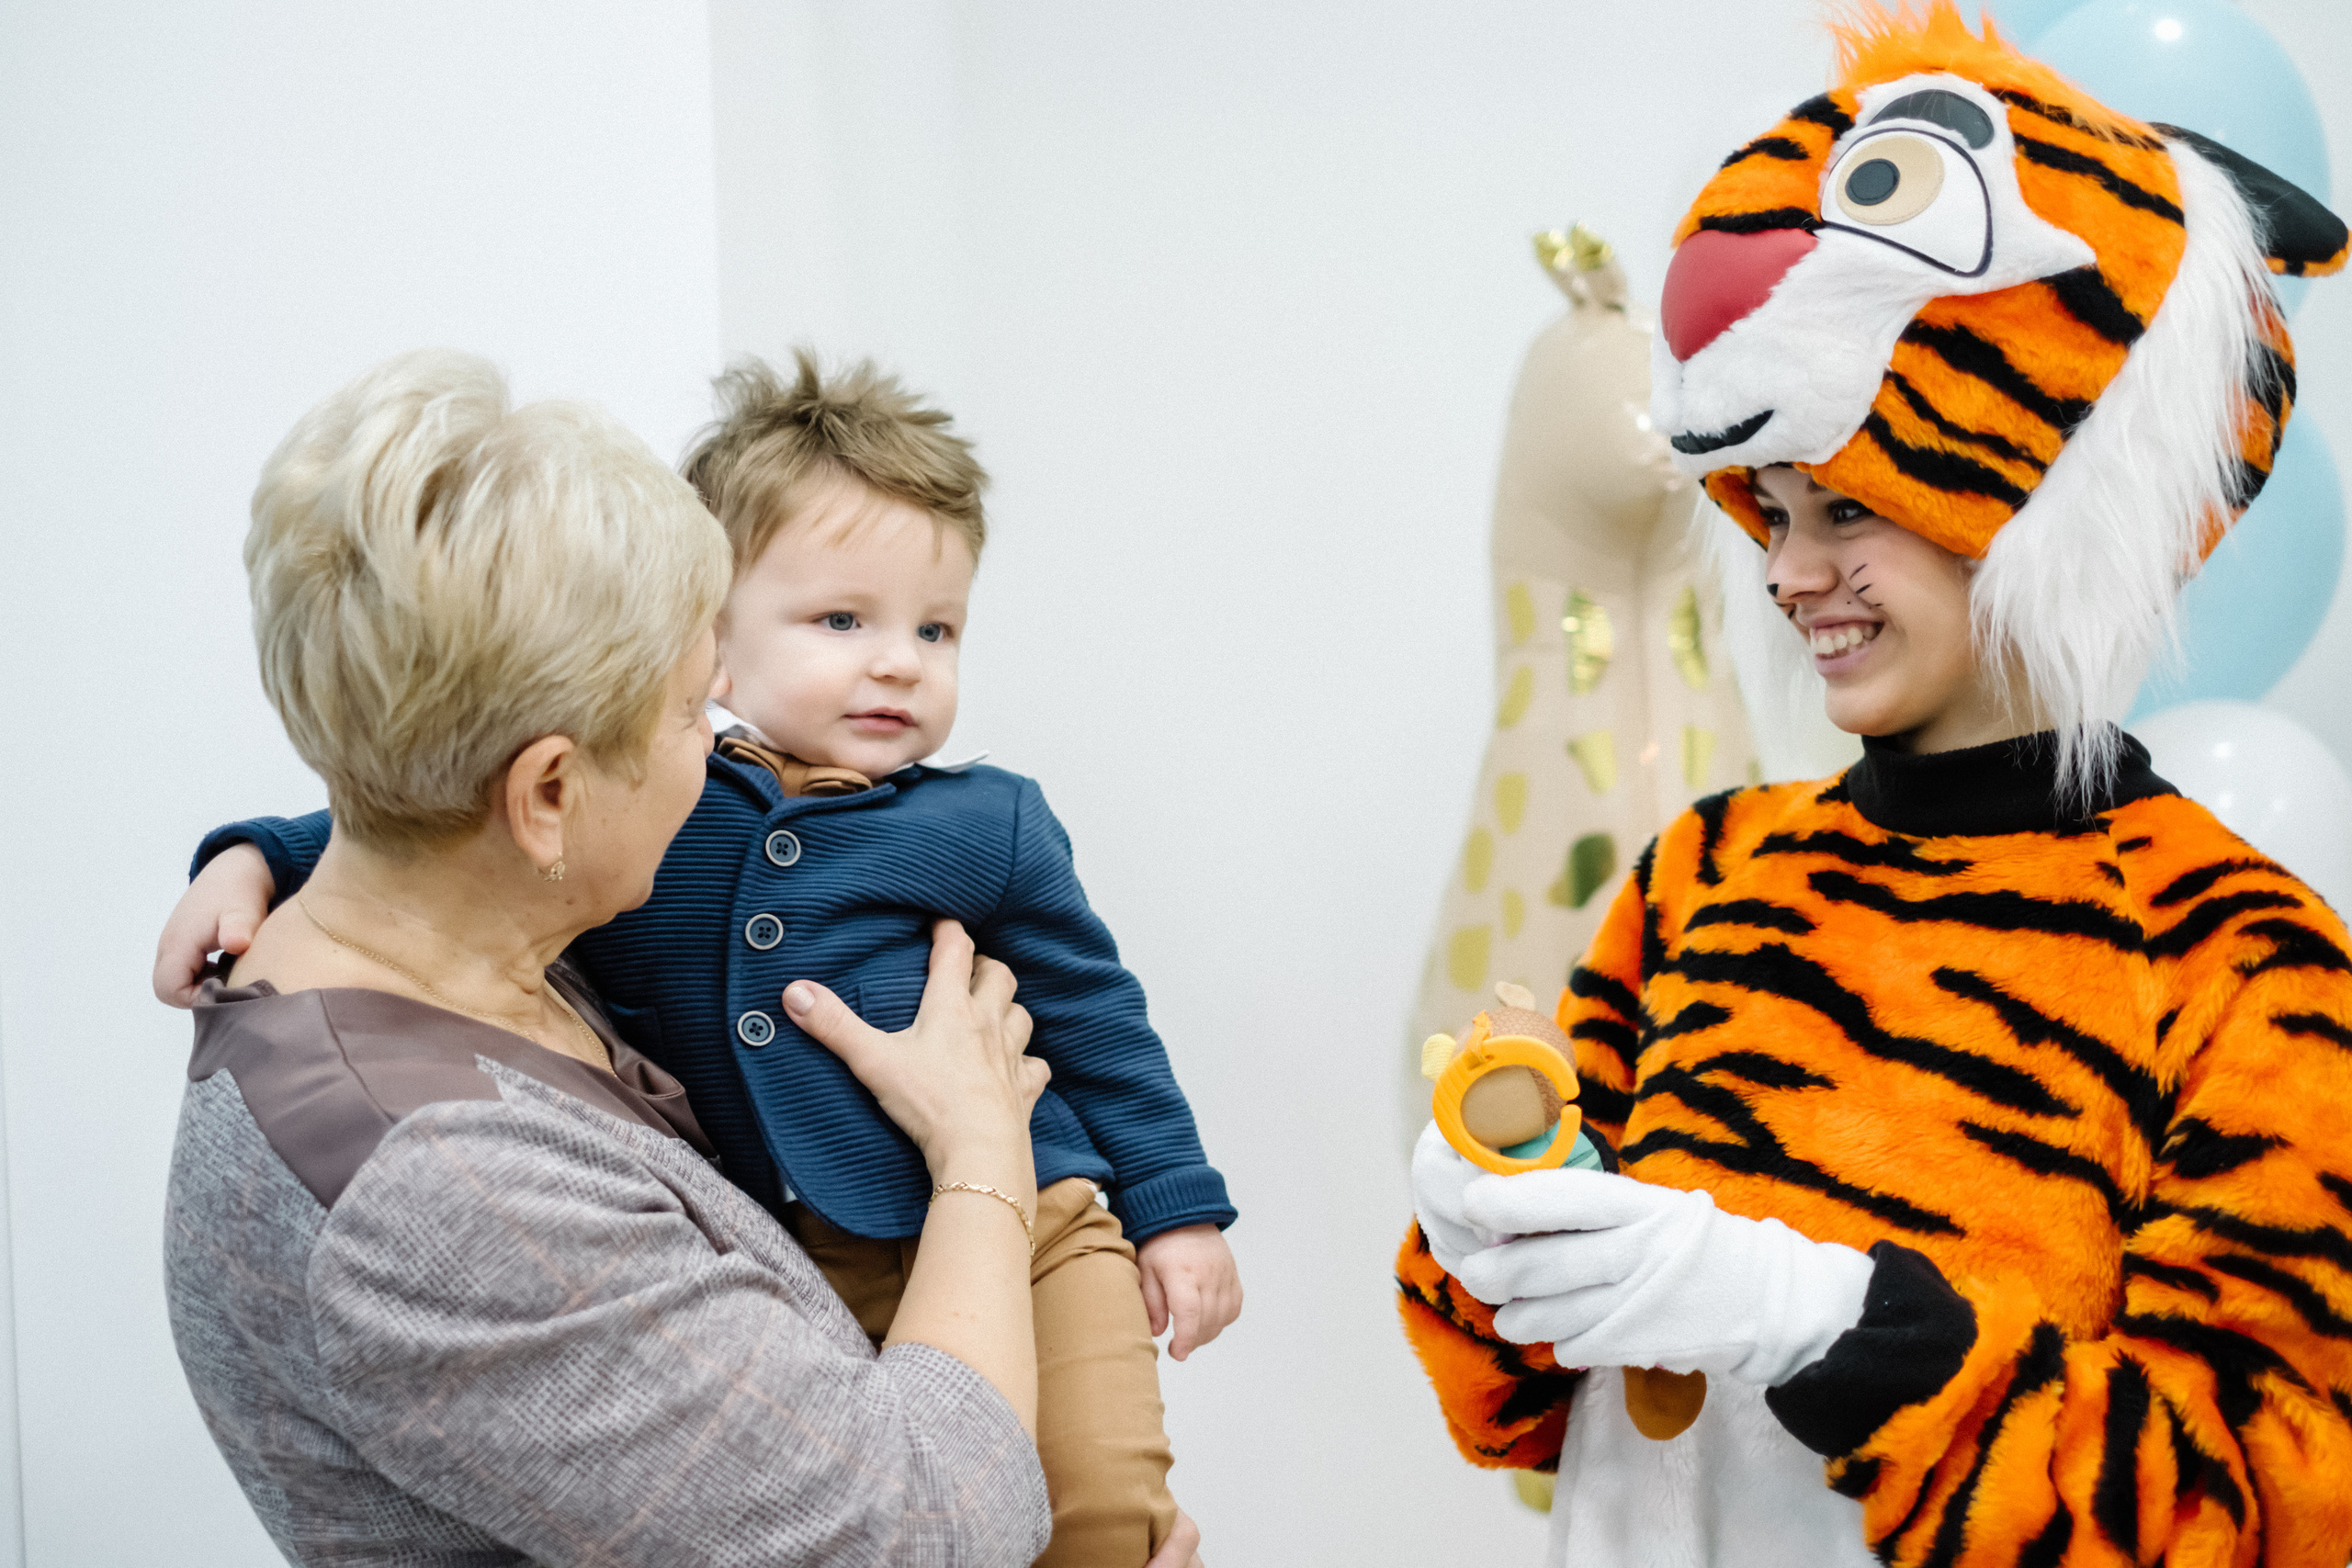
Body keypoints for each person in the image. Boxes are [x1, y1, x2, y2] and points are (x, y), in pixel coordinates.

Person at [1398, 7, 2352, 1565]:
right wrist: (1489, 1234)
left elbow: (2258, 1508)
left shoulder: (2244, 961)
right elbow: (1513, 1405)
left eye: (1846, 506)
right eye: (1770, 512)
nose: (1791, 574)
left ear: (2030, 483)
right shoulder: (1707, 876)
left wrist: (1832, 1324)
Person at [159, 352, 1237, 1567]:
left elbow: (1099, 1016)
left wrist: (1167, 1211)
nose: (719, 729)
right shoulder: (439, 1194)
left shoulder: (507, 928)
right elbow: (927, 1535)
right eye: (689, 710)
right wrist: (981, 1144)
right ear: (549, 795)